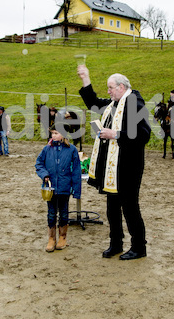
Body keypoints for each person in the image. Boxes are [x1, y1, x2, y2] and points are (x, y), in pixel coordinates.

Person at [77, 65, 151, 260]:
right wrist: (86, 78)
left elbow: (144, 135)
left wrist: (115, 134)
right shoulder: (113, 104)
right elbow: (93, 104)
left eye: (110, 88)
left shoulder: (135, 103)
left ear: (121, 87)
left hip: (128, 166)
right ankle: (116, 243)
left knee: (130, 207)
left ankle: (139, 247)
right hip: (112, 168)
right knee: (112, 207)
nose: (108, 92)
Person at [35, 124, 81, 252]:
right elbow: (39, 163)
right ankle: (51, 238)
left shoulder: (72, 150)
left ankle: (62, 237)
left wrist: (76, 191)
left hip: (65, 187)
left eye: (56, 133)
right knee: (51, 213)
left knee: (64, 212)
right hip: (50, 188)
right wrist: (44, 175)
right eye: (52, 133)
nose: (53, 135)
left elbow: (76, 171)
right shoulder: (46, 149)